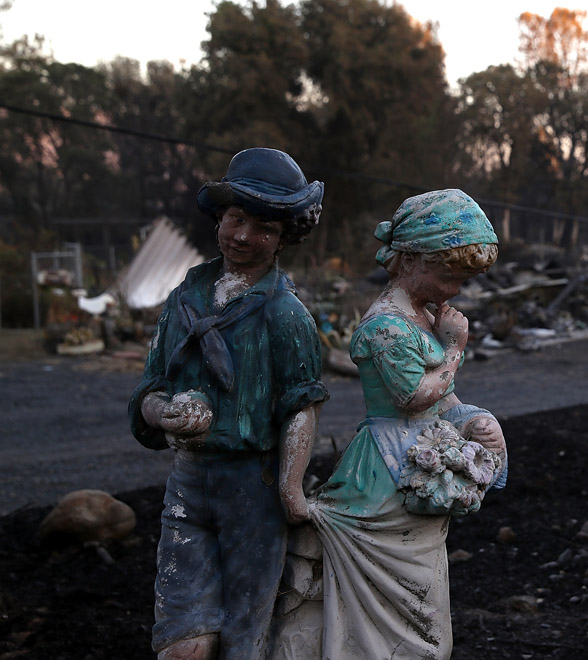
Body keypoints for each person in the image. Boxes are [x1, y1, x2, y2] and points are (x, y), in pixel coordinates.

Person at [272, 189, 507, 659]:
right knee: (398, 597)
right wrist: (455, 348)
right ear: (409, 260)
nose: (455, 290)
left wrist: (475, 420)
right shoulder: (385, 326)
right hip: (385, 469)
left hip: (414, 459)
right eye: (449, 275)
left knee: (425, 598)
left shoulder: (423, 316)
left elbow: (443, 401)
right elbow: (413, 396)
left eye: (463, 279)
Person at [129, 147, 329, 660]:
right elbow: (150, 387)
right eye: (236, 219)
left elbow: (302, 405)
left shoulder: (286, 315)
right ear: (220, 217)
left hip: (254, 487)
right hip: (189, 482)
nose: (243, 236)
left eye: (262, 227)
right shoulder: (184, 299)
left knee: (246, 633)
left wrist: (290, 487)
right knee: (183, 644)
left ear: (284, 236)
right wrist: (163, 414)